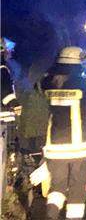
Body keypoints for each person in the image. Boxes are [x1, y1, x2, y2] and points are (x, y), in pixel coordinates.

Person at [39, 46, 86, 219]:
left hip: (54, 147)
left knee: (56, 189)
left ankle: (50, 216)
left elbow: (46, 77)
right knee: (76, 191)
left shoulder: (48, 83)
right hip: (80, 147)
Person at [1, 39, 22, 200]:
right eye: (8, 50)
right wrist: (17, 105)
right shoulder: (2, 69)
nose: (10, 53)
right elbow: (6, 93)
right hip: (3, 119)